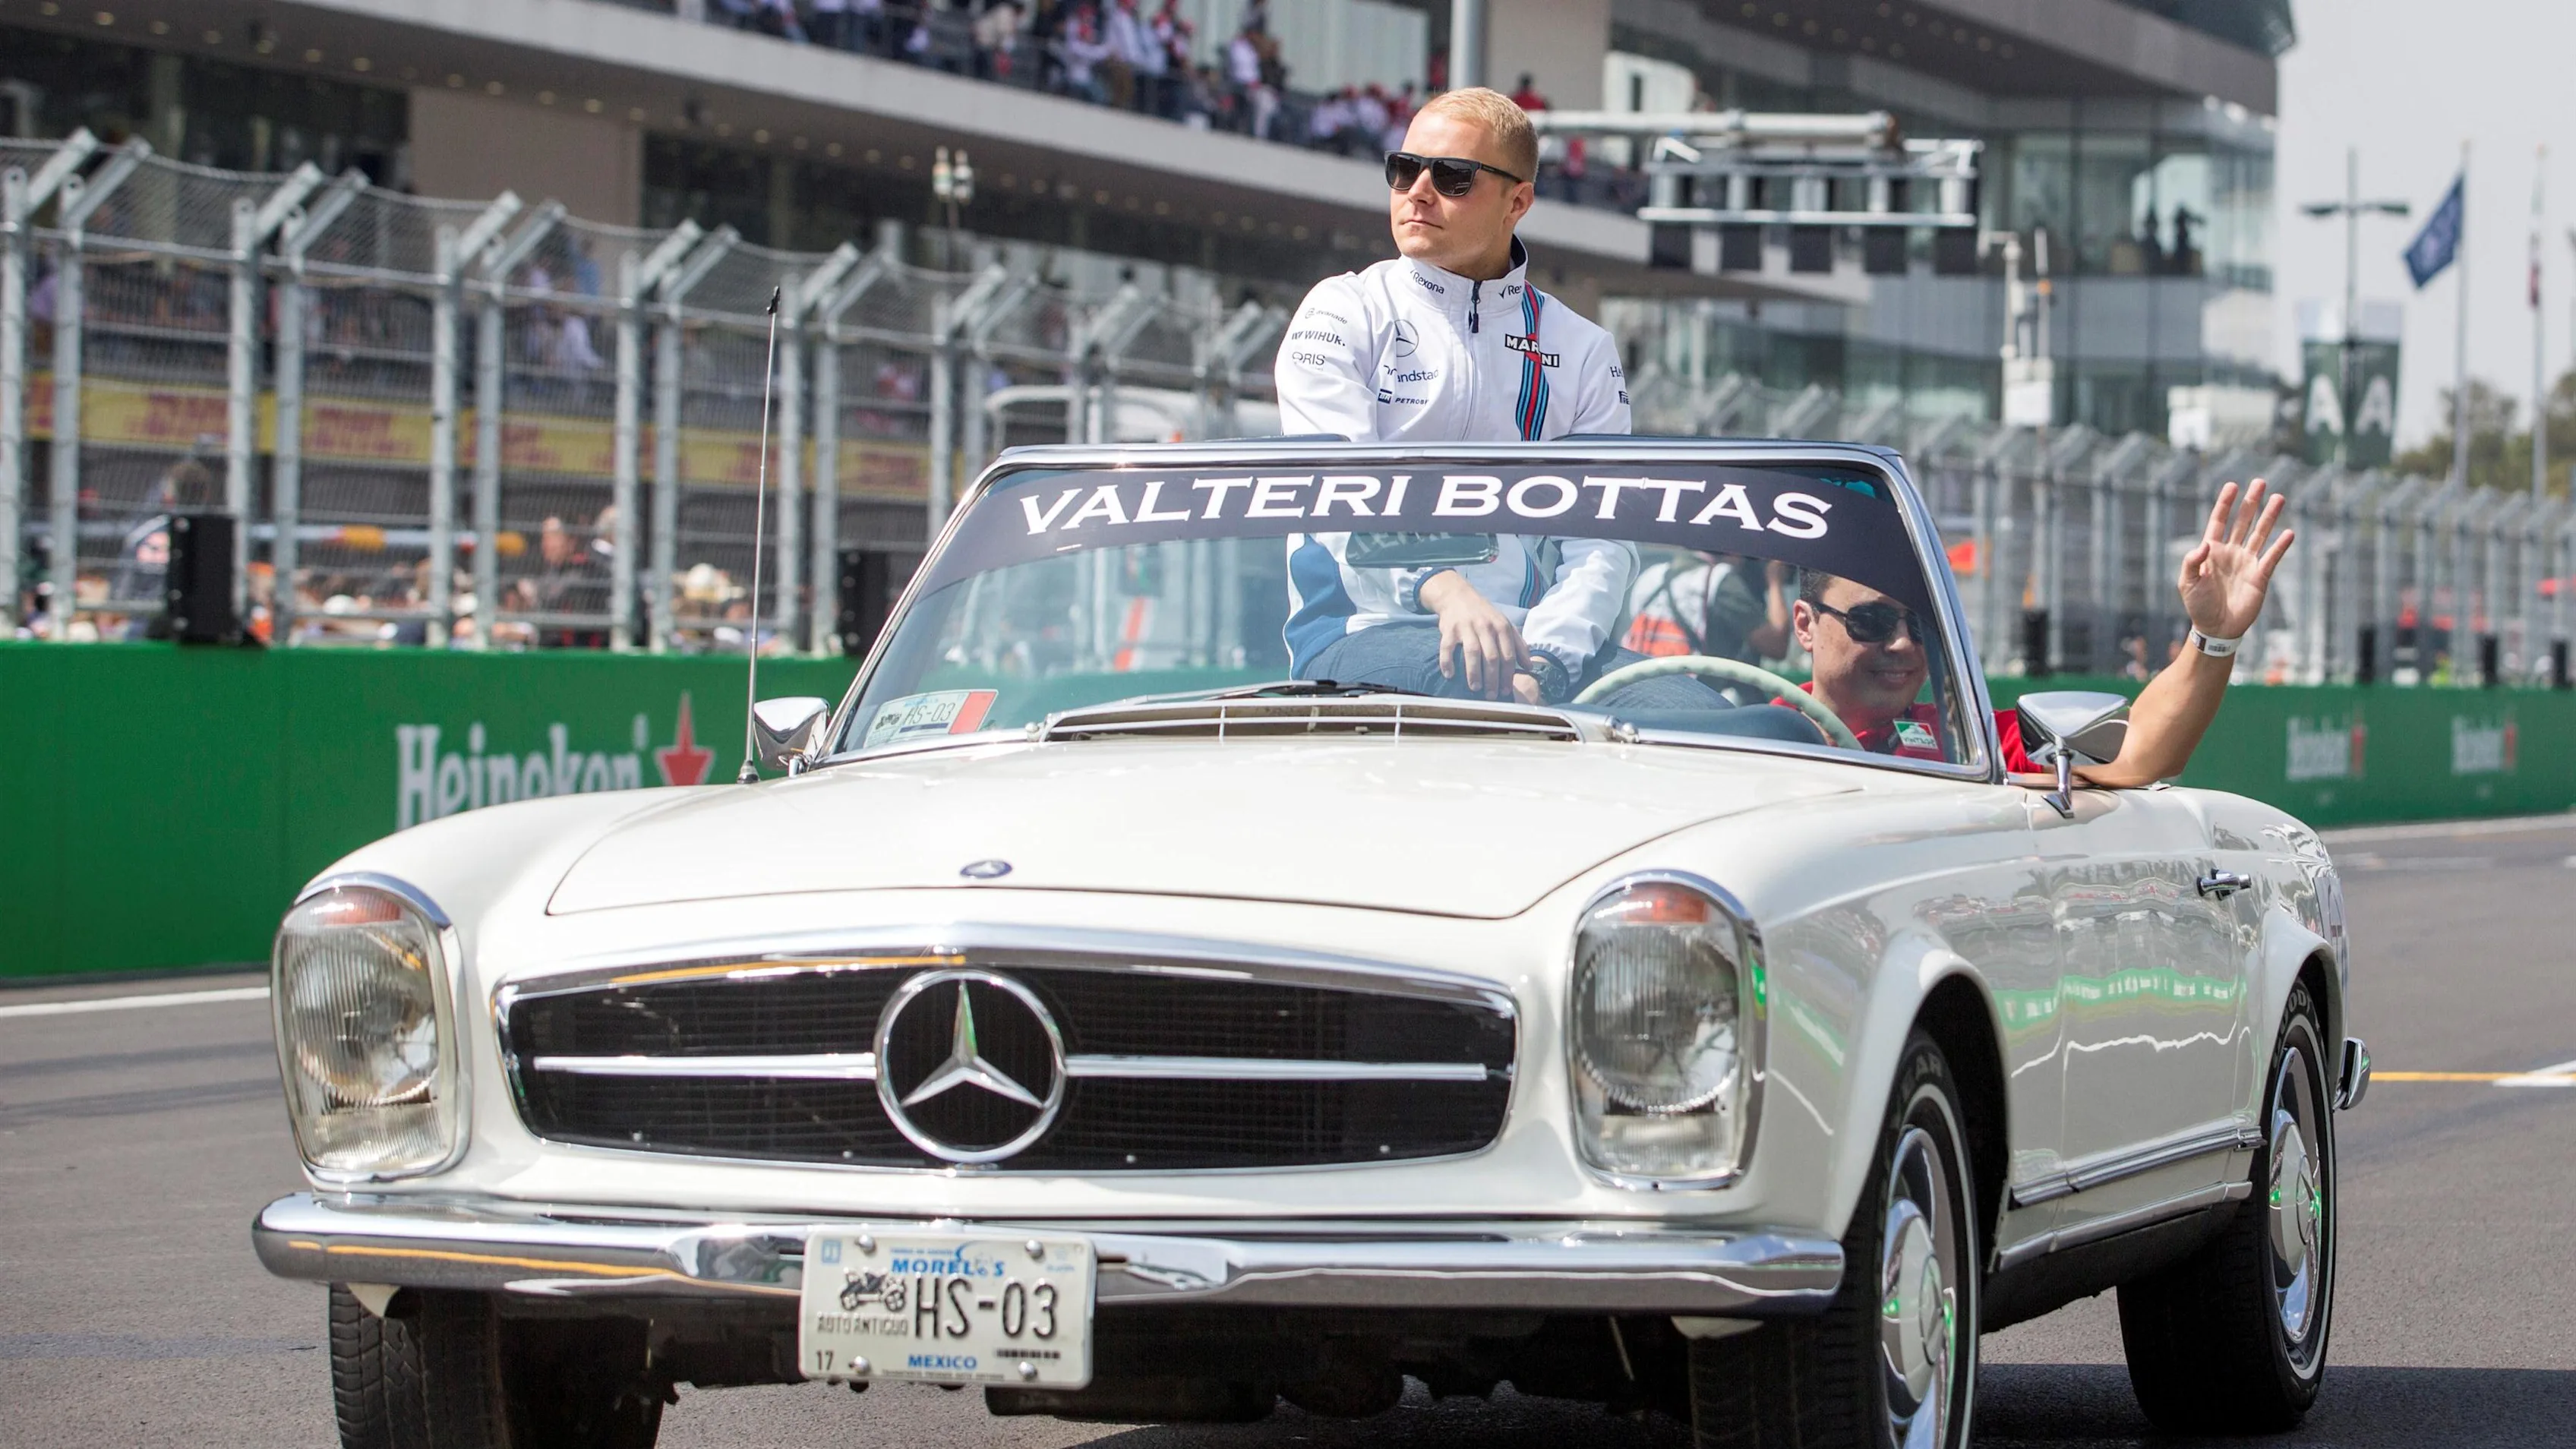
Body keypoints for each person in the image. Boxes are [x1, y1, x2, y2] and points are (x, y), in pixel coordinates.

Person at [1273, 87, 1705, 713]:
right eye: (1404, 169)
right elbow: (1343, 490)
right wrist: (1445, 590)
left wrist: (1551, 660)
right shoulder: (1343, 310)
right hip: (1364, 629)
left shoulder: (1583, 348)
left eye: (1452, 176)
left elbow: (1603, 542)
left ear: (1518, 201)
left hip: (1537, 642)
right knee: (1476, 687)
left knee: (1722, 720)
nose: (1419, 191)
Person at [1788, 478, 2296, 781]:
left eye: (1921, 624)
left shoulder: (1971, 744)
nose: (1902, 643)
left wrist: (2214, 636)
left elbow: (2137, 754)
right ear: (1806, 625)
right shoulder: (1756, 739)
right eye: (1872, 621)